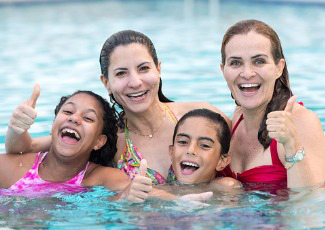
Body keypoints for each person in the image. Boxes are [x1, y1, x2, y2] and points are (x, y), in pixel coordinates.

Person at [5, 30, 230, 185]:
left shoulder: (203, 117)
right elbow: (24, 148)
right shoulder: (109, 138)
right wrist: (17, 127)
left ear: (158, 69)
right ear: (107, 83)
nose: (135, 82)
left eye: (143, 68)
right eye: (121, 73)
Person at [218, 19, 325, 188]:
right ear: (223, 70)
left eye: (259, 61)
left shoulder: (302, 121)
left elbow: (310, 205)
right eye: (236, 62)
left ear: (278, 67)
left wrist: (291, 144)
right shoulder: (237, 118)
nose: (247, 73)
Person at [1, 90, 131, 197]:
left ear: (99, 141)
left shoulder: (104, 179)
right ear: (53, 125)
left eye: (88, 118)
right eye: (68, 111)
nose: (74, 118)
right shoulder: (10, 168)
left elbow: (130, 198)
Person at [127, 109, 241, 202]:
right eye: (183, 142)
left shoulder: (225, 186)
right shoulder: (155, 191)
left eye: (205, 145)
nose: (191, 150)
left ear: (222, 161)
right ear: (171, 152)